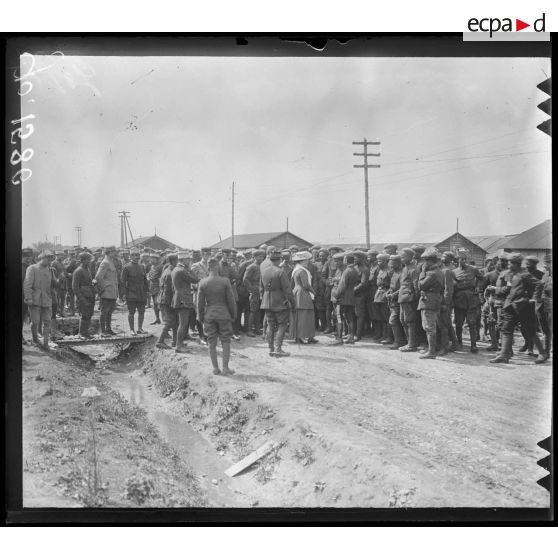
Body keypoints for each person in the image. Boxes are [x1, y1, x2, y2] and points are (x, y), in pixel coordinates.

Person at [489, 253, 548, 364]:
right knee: (506, 329)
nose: (508, 265)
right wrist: (497, 290)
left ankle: (542, 353)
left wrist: (534, 298)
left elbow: (539, 284)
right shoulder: (509, 274)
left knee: (531, 331)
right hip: (510, 306)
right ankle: (504, 355)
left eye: (510, 263)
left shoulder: (524, 274)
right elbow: (508, 289)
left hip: (524, 307)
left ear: (516, 264)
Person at [197, 257, 237, 375]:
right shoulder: (225, 281)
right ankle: (225, 368)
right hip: (224, 315)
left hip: (209, 315)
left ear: (208, 268)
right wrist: (233, 314)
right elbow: (231, 300)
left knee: (211, 341)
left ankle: (215, 368)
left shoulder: (202, 282)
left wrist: (200, 317)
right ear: (218, 267)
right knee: (225, 341)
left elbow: (199, 303)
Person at [260, 250, 295, 357]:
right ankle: (278, 349)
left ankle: (271, 348)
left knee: (270, 324)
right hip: (279, 302)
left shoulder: (264, 271)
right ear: (280, 260)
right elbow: (288, 290)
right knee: (282, 325)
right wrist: (293, 303)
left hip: (266, 302)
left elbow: (261, 288)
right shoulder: (280, 272)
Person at [452, 249, 483, 353]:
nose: (463, 261)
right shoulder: (454, 272)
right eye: (461, 259)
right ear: (457, 261)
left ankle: (473, 345)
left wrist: (478, 287)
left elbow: (482, 278)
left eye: (464, 259)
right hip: (459, 300)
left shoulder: (473, 269)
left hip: (471, 300)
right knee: (459, 323)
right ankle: (459, 343)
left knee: (472, 323)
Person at [23, 250, 54, 350]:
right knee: (35, 322)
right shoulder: (32, 268)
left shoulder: (49, 269)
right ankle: (35, 339)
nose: (49, 261)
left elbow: (50, 285)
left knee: (47, 321)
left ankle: (45, 343)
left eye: (51, 259)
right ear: (42, 258)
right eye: (48, 259)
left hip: (47, 300)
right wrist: (28, 298)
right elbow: (27, 284)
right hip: (35, 300)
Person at [417, 248, 444, 359]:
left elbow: (421, 285)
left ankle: (432, 352)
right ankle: (431, 349)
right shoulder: (437, 271)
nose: (424, 263)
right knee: (429, 326)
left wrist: (423, 272)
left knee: (429, 327)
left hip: (429, 301)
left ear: (430, 261)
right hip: (432, 299)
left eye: (425, 261)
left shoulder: (432, 273)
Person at [171, 250, 199, 353]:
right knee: (183, 323)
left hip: (179, 297)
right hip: (183, 298)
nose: (190, 261)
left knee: (182, 323)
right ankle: (178, 346)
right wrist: (190, 269)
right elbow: (195, 279)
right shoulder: (182, 271)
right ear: (183, 260)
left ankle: (180, 343)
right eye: (188, 260)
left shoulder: (176, 269)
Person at [331, 252, 359, 345]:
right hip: (351, 298)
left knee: (339, 318)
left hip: (342, 299)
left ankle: (339, 339)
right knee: (350, 318)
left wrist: (335, 296)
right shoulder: (354, 270)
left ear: (346, 260)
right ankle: (351, 338)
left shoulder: (347, 271)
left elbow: (342, 286)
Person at [518, 255, 544, 355]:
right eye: (527, 262)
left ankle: (530, 348)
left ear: (535, 264)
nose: (527, 264)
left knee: (532, 326)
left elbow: (540, 287)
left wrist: (535, 298)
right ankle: (526, 342)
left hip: (533, 303)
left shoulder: (540, 274)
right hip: (522, 302)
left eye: (530, 263)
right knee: (522, 325)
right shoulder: (523, 272)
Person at [290, 251, 317, 344]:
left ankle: (300, 336)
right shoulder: (302, 271)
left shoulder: (296, 270)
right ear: (300, 261)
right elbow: (306, 285)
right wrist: (313, 292)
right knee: (305, 315)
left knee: (300, 316)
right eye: (305, 260)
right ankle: (304, 336)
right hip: (303, 293)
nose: (307, 262)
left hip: (297, 292)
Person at [121, 249, 149, 335]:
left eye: (138, 255)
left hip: (141, 293)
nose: (137, 257)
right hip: (131, 293)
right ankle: (131, 329)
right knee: (131, 312)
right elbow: (123, 282)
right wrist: (124, 294)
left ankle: (140, 328)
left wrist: (147, 291)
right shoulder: (126, 267)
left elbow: (145, 281)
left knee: (142, 311)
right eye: (135, 255)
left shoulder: (142, 267)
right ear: (131, 256)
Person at [398, 247, 420, 352]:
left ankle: (412, 345)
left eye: (403, 257)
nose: (401, 259)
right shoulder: (405, 268)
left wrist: (414, 300)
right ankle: (409, 342)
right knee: (403, 320)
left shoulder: (413, 269)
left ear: (410, 257)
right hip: (402, 298)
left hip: (409, 298)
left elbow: (416, 287)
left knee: (410, 321)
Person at [94, 246, 119, 336]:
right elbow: (98, 277)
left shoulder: (110, 261)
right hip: (107, 291)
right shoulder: (105, 262)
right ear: (109, 252)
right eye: (114, 251)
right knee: (104, 312)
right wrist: (103, 287)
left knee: (110, 311)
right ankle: (103, 331)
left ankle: (108, 329)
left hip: (112, 291)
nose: (116, 253)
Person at [156, 252, 178, 350]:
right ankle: (160, 341)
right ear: (173, 261)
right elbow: (169, 290)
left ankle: (175, 341)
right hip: (166, 300)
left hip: (164, 299)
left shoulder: (167, 270)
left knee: (175, 321)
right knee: (169, 321)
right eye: (177, 260)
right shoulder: (170, 273)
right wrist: (172, 303)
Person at [72, 251, 96, 338]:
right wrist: (82, 299)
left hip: (90, 295)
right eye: (88, 260)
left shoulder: (87, 269)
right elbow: (75, 287)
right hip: (83, 297)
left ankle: (86, 332)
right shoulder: (78, 271)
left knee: (89, 315)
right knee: (84, 315)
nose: (89, 261)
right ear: (83, 260)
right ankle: (81, 333)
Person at [438, 251, 459, 354]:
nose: (442, 258)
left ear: (450, 259)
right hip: (442, 299)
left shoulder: (448, 270)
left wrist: (446, 302)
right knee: (447, 323)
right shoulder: (443, 269)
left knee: (443, 324)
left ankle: (445, 346)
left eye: (444, 256)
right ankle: (455, 343)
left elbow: (449, 288)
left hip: (445, 300)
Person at [191, 247, 212, 344]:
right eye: (205, 253)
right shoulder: (196, 266)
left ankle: (208, 334)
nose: (207, 255)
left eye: (209, 253)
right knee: (199, 313)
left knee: (209, 313)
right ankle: (201, 336)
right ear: (202, 254)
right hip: (199, 293)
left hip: (210, 293)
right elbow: (192, 281)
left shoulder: (212, 265)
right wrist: (198, 285)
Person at [244, 249, 265, 337]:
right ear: (255, 257)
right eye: (260, 256)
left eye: (262, 256)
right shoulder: (251, 267)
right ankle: (249, 330)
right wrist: (251, 290)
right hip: (255, 290)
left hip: (260, 291)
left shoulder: (262, 266)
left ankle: (257, 329)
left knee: (258, 310)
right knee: (252, 311)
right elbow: (245, 279)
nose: (261, 258)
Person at [386, 254, 405, 350]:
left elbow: (402, 287)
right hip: (392, 301)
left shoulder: (402, 273)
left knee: (393, 320)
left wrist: (393, 294)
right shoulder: (394, 272)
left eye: (393, 263)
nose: (391, 265)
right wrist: (389, 292)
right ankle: (398, 340)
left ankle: (398, 341)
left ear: (398, 263)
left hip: (398, 300)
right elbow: (392, 285)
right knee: (395, 321)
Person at [373, 253, 393, 345]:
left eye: (380, 261)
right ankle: (383, 335)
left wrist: (387, 293)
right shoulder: (380, 270)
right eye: (377, 260)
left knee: (386, 317)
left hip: (385, 295)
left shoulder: (390, 271)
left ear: (385, 261)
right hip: (379, 295)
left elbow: (392, 285)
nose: (378, 263)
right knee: (381, 317)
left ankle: (389, 337)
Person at [353, 251, 370, 341]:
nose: (355, 259)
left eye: (357, 258)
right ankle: (352, 333)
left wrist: (353, 290)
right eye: (354, 257)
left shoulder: (365, 269)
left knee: (359, 315)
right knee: (353, 314)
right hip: (353, 295)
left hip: (360, 295)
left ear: (362, 259)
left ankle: (358, 334)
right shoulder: (354, 267)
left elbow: (363, 284)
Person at [147, 252, 164, 325]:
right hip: (152, 287)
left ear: (157, 260)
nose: (151, 260)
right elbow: (150, 275)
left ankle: (165, 322)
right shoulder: (152, 267)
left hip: (159, 288)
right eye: (151, 259)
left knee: (159, 304)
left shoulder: (161, 267)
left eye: (153, 259)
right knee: (154, 304)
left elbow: (163, 277)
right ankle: (157, 319)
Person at [52, 251, 67, 317]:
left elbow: (64, 272)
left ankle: (62, 311)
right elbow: (52, 274)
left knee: (63, 297)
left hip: (63, 283)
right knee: (57, 298)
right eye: (60, 255)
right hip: (57, 283)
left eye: (62, 255)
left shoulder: (62, 263)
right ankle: (57, 312)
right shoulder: (54, 263)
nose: (61, 256)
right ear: (56, 255)